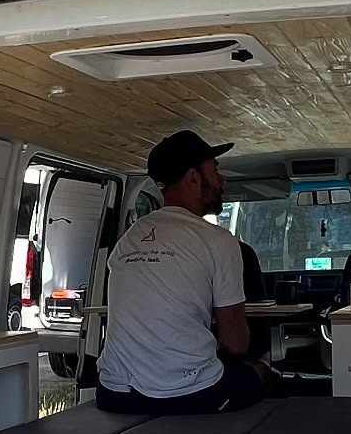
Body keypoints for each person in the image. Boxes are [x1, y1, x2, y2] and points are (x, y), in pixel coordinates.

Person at [96, 131, 269, 414]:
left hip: (114, 395)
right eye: (215, 170)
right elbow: (236, 344)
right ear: (192, 177)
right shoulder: (218, 240)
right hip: (190, 396)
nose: (222, 180)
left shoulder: (126, 240)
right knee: (262, 370)